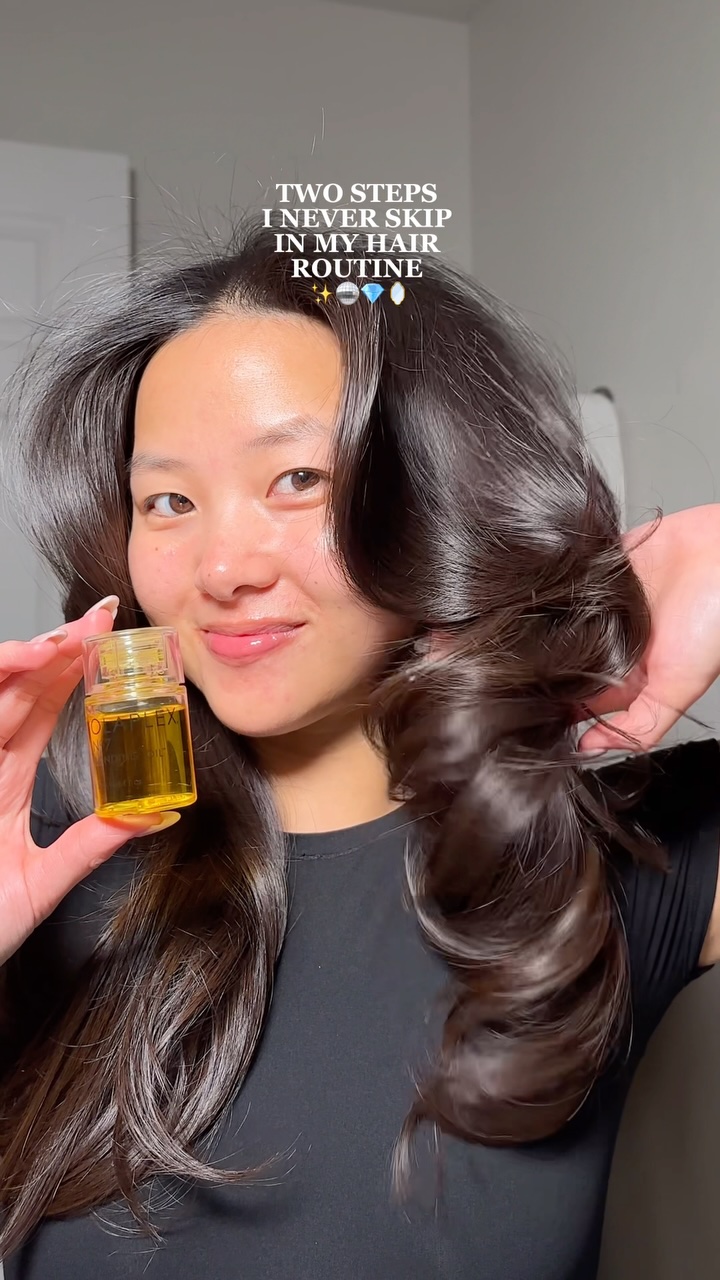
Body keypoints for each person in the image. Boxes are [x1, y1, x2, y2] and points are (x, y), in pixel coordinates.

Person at [0, 211, 719, 1280]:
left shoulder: (608, 855)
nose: (223, 567)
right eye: (169, 499)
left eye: (297, 478)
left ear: (436, 495)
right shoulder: (46, 860)